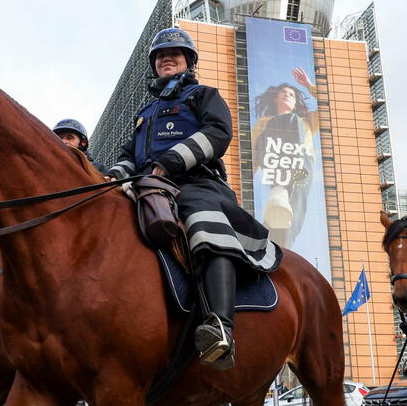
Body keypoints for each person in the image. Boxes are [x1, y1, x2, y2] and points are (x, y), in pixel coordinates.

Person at [104, 27, 281, 370]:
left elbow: (218, 132)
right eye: (160, 55)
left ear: (188, 61)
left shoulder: (203, 95)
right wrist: (112, 176)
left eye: (174, 53)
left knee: (203, 225)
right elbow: (129, 154)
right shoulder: (146, 112)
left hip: (195, 184)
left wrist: (167, 162)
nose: (166, 58)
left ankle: (220, 328)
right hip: (147, 186)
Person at [251, 69, 320, 248]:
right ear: (276, 98)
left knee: (288, 222)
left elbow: (330, 103)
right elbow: (254, 154)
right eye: (283, 92)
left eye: (291, 94)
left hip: (302, 169)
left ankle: (278, 250)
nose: (287, 95)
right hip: (273, 163)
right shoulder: (264, 123)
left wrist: (308, 85)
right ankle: (279, 190)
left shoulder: (306, 122)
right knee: (277, 221)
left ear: (296, 101)